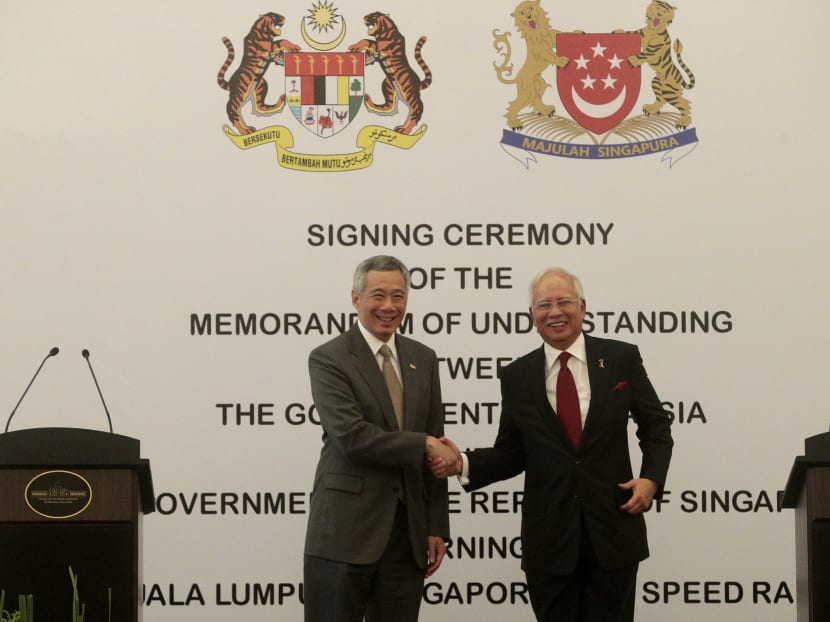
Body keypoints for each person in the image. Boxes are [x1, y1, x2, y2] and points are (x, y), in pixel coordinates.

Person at [431, 267, 673, 622]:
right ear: (532, 315)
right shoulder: (517, 375)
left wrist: (651, 479)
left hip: (613, 533)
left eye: (564, 302)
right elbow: (512, 453)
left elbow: (656, 427)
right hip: (549, 543)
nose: (554, 312)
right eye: (544, 305)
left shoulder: (621, 358)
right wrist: (461, 463)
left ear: (583, 307)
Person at [304, 255, 455, 622]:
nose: (389, 306)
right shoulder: (329, 358)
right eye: (378, 295)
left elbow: (436, 446)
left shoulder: (424, 358)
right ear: (356, 299)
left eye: (398, 296)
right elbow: (353, 437)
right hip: (344, 532)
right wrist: (423, 443)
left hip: (407, 535)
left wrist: (436, 525)